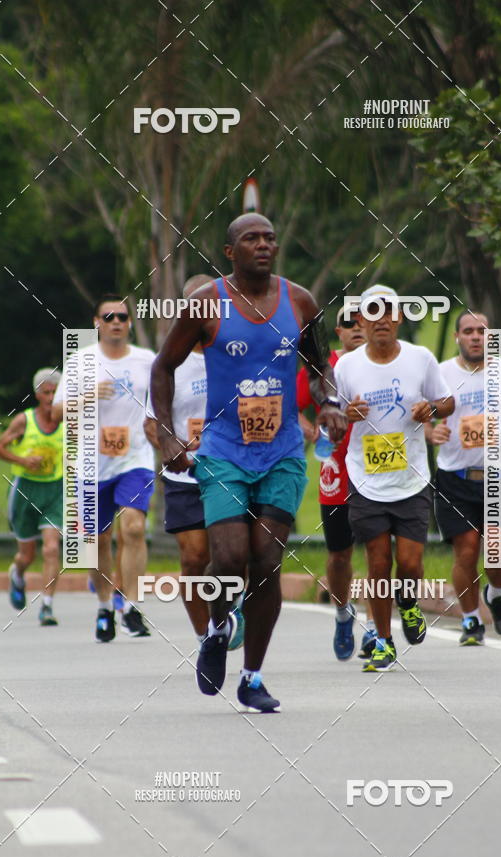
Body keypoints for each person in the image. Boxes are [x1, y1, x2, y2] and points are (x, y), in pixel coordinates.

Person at [151, 213, 346, 711]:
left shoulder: (299, 301)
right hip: (223, 452)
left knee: (266, 561)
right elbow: (163, 366)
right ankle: (217, 629)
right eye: (250, 239)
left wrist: (329, 403)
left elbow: (321, 364)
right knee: (231, 557)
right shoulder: (206, 303)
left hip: (281, 453)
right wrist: (170, 435)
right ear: (230, 251)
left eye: (270, 238)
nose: (263, 245)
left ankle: (253, 677)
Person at [334, 284, 454, 672]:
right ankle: (383, 641)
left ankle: (408, 601)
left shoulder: (420, 358)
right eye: (373, 312)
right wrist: (347, 415)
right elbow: (336, 417)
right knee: (377, 561)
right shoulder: (346, 366)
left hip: (413, 477)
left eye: (389, 311)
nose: (381, 318)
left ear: (399, 317)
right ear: (362, 320)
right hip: (365, 477)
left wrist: (431, 407)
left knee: (411, 564)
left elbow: (448, 400)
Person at [144, 274, 244, 651]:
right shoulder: (170, 362)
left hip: (233, 470)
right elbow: (150, 422)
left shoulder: (236, 356)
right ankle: (208, 640)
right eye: (197, 303)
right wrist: (169, 445)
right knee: (194, 557)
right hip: (185, 475)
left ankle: (234, 607)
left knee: (237, 555)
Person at [428, 310, 501, 645]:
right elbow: (424, 415)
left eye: (482, 331)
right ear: (457, 337)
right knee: (467, 549)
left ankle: (496, 593)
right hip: (455, 477)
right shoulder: (442, 374)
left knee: (500, 552)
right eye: (469, 331)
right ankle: (471, 621)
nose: (476, 336)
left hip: (500, 474)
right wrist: (433, 432)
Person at [53, 296, 155, 642]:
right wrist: (88, 396)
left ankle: (131, 607)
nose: (116, 321)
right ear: (96, 322)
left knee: (134, 528)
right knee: (98, 540)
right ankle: (104, 606)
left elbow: (161, 404)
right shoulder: (81, 360)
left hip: (134, 459)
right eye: (108, 316)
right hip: (90, 463)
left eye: (122, 316)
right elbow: (56, 412)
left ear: (129, 322)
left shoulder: (146, 360)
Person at [297, 300, 368, 660]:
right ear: (337, 331)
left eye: (363, 321)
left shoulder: (388, 363)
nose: (357, 327)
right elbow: (290, 405)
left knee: (379, 549)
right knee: (339, 554)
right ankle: (343, 613)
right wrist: (311, 430)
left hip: (380, 469)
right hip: (336, 470)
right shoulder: (325, 368)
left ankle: (374, 625)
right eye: (348, 323)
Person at [0, 368, 63, 625]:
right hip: (26, 490)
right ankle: (18, 573)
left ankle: (46, 605)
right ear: (37, 394)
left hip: (55, 490)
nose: (51, 397)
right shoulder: (25, 421)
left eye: (55, 392)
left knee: (52, 548)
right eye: (46, 392)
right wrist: (23, 459)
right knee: (27, 555)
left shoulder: (67, 420)